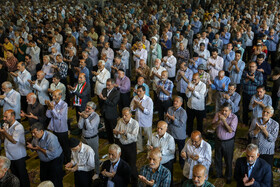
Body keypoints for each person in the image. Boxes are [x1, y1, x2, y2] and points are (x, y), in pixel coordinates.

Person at [27, 122, 63, 187]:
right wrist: (32, 147)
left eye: (34, 133)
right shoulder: (36, 137)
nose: (33, 135)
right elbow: (34, 147)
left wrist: (39, 149)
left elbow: (52, 154)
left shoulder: (51, 138)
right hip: (44, 161)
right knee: (43, 178)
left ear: (41, 131)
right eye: (32, 133)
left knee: (55, 180)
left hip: (55, 160)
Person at [0, 110, 30, 187]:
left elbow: (14, 141)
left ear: (13, 117)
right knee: (14, 175)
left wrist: (4, 132)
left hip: (18, 156)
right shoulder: (5, 125)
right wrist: (1, 133)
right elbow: (3, 139)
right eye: (4, 116)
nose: (4, 118)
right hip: (9, 155)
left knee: (22, 176)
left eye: (6, 117)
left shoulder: (18, 127)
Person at [211, 103, 238, 184]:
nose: (224, 112)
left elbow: (230, 130)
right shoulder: (218, 114)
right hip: (218, 140)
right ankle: (218, 174)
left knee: (228, 160)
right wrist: (219, 120)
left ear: (230, 111)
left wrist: (224, 121)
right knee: (217, 158)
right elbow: (213, 127)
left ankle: (228, 176)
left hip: (228, 142)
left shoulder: (234, 117)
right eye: (222, 110)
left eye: (226, 111)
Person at [113, 107, 139, 185]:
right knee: (123, 163)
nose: (124, 117)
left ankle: (135, 181)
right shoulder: (120, 121)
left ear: (131, 115)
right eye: (123, 115)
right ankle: (125, 180)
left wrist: (124, 133)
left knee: (132, 165)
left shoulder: (135, 123)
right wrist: (116, 133)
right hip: (121, 145)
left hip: (131, 146)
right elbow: (117, 135)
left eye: (126, 115)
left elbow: (134, 137)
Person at [46, 89, 70, 163]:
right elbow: (48, 115)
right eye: (52, 95)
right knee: (57, 146)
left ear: (60, 96)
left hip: (62, 129)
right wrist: (49, 108)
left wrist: (52, 108)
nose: (53, 97)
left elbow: (59, 116)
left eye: (55, 96)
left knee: (65, 146)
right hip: (54, 128)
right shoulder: (52, 103)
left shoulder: (64, 105)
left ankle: (68, 160)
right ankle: (61, 160)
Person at [77, 101, 100, 180]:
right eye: (86, 108)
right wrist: (83, 117)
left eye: (89, 109)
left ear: (93, 110)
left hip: (92, 138)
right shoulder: (83, 113)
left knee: (95, 156)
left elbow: (90, 127)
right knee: (84, 154)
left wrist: (86, 118)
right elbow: (80, 126)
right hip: (84, 138)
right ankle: (87, 170)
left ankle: (97, 172)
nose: (86, 110)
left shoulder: (96, 116)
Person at [165, 96, 187, 168]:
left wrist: (173, 119)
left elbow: (180, 124)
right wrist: (168, 119)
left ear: (181, 103)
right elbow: (166, 121)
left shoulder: (183, 112)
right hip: (171, 133)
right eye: (174, 101)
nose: (175, 102)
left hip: (180, 135)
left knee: (181, 150)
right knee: (172, 149)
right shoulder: (170, 109)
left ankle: (182, 164)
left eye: (177, 101)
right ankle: (172, 161)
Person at [130, 85, 153, 153]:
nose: (138, 93)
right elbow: (132, 108)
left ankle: (149, 149)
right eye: (137, 91)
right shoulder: (135, 98)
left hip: (146, 122)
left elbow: (148, 112)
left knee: (148, 137)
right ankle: (140, 148)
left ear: (144, 92)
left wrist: (140, 106)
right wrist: (135, 105)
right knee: (138, 135)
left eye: (140, 91)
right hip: (138, 120)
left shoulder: (149, 100)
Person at [99, 78, 120, 144]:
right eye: (106, 85)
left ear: (113, 85)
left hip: (112, 114)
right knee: (107, 129)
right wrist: (101, 99)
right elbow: (102, 101)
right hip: (104, 112)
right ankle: (110, 141)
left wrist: (105, 100)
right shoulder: (104, 90)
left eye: (109, 85)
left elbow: (113, 103)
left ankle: (116, 143)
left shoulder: (116, 93)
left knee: (113, 129)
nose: (107, 86)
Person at [242, 61, 263, 125]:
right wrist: (248, 78)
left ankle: (253, 123)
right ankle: (245, 122)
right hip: (245, 93)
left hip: (254, 95)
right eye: (250, 66)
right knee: (245, 108)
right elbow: (242, 82)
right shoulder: (245, 73)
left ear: (256, 67)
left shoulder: (259, 74)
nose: (251, 68)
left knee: (253, 109)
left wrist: (253, 79)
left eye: (253, 67)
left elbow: (260, 84)